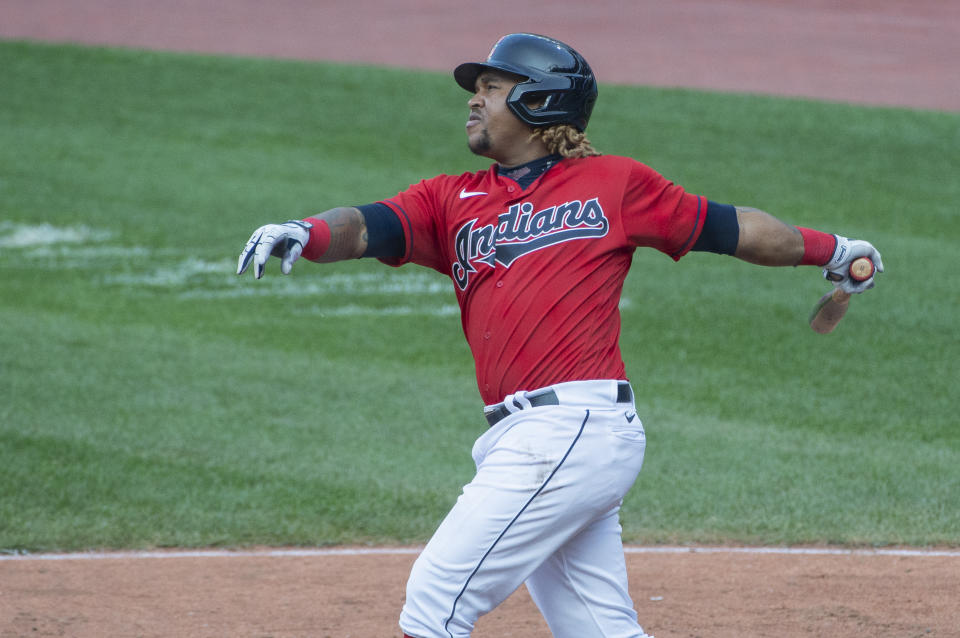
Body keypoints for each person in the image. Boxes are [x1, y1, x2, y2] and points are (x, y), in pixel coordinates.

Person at [237, 33, 882, 638]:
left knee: (436, 600)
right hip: (533, 438)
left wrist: (832, 251)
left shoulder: (614, 185)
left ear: (539, 99)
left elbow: (733, 229)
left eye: (492, 87)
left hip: (572, 428)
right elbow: (362, 226)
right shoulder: (449, 200)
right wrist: (308, 231)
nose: (473, 98)